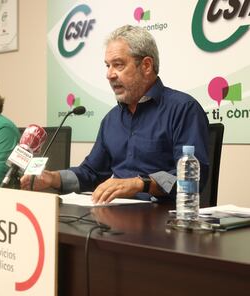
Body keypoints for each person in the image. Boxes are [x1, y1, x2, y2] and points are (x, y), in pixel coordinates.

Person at [21, 25, 209, 204]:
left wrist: (139, 184)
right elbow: (92, 173)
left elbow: (192, 179)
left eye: (118, 65)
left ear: (146, 66)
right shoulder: (111, 119)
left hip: (163, 223)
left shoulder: (183, 109)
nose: (109, 75)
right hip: (117, 218)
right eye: (107, 66)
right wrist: (52, 178)